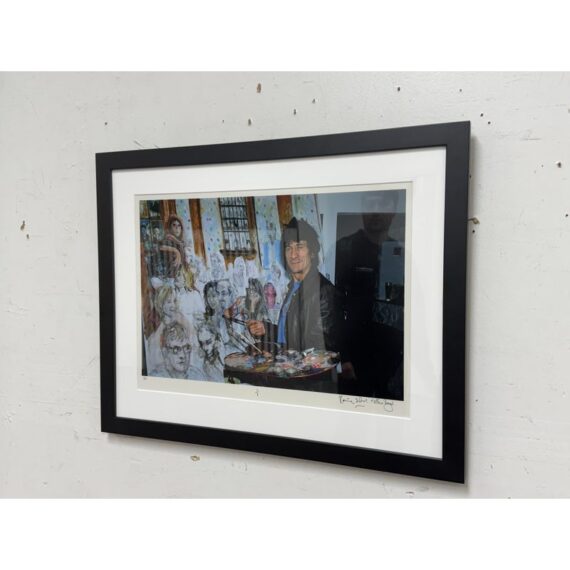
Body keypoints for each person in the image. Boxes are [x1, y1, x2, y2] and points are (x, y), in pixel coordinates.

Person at [335, 190, 405, 399]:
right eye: (370, 204)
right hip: (354, 361)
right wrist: (343, 357)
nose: (375, 211)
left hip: (392, 361)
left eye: (382, 205)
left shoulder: (401, 253)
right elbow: (333, 306)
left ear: (393, 211)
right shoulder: (344, 248)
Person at [247, 217, 342, 354]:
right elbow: (292, 334)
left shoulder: (324, 292)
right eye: (288, 248)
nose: (293, 255)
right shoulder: (294, 287)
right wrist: (266, 329)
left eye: (299, 247)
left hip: (303, 367)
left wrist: (279, 356)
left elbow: (322, 348)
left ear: (312, 252)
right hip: (289, 364)